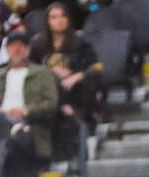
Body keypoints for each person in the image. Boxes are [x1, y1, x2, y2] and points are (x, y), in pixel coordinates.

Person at [0, 29, 58, 176]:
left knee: (19, 140)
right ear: (7, 49)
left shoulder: (42, 73)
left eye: (21, 45)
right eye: (13, 45)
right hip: (0, 123)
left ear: (28, 49)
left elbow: (51, 103)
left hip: (28, 125)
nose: (17, 49)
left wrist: (26, 110)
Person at [28, 2, 102, 132]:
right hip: (47, 91)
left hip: (75, 90)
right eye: (54, 17)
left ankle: (81, 120)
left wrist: (77, 76)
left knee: (85, 84)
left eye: (63, 16)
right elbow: (29, 68)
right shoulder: (37, 44)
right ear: (48, 21)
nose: (59, 21)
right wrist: (50, 71)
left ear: (68, 19)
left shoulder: (80, 41)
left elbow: (97, 67)